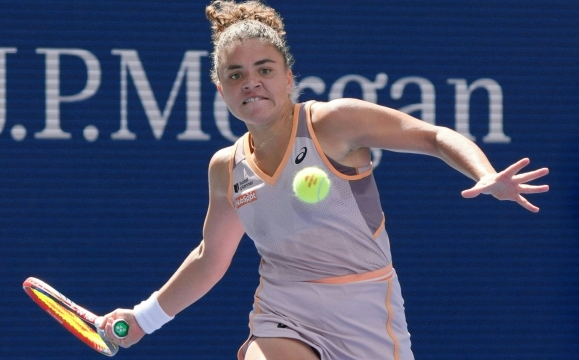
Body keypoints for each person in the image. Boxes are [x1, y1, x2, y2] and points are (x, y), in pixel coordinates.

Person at [98, 1, 550, 359]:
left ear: (289, 77)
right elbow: (209, 259)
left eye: (264, 70)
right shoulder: (225, 168)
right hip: (283, 310)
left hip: (366, 310)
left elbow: (433, 136)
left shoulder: (335, 123)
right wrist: (144, 318)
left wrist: (485, 173)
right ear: (221, 89)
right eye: (235, 75)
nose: (251, 83)